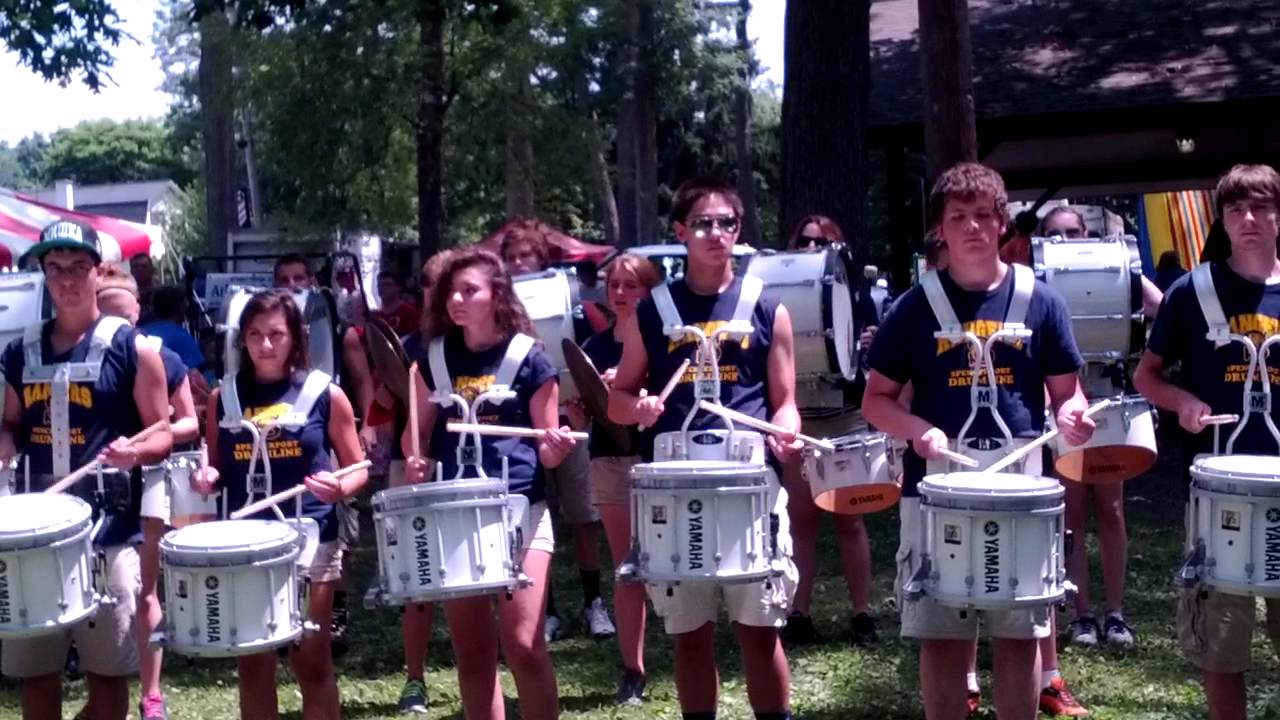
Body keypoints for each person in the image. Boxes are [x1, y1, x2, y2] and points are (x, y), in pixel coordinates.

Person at [862, 162, 1094, 720]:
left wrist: (1073, 416)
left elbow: (1069, 393)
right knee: (941, 632)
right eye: (958, 217)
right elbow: (876, 399)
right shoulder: (914, 307)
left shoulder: (1040, 300)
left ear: (1002, 224)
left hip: (1020, 486)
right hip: (936, 490)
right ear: (940, 228)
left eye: (983, 216)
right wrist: (918, 430)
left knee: (1018, 633)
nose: (971, 228)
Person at [608, 176, 801, 720]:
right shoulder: (654, 311)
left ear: (739, 231)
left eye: (727, 223)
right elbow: (618, 398)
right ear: (681, 232)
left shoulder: (768, 307)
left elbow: (785, 400)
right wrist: (638, 408)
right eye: (703, 224)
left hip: (750, 486)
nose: (716, 234)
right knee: (690, 635)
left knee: (760, 631)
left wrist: (784, 430)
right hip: (677, 486)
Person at [0, 221, 174, 720]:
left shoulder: (133, 348)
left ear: (98, 273)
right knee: (37, 672)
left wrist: (134, 453)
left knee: (108, 673)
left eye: (79, 267)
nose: (68, 279)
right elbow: (9, 422)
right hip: (35, 533)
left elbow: (162, 431)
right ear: (43, 275)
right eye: (55, 268)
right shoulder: (19, 353)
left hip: (110, 530)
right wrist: (6, 442)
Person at [1133, 163, 1280, 720]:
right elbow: (1146, 376)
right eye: (1237, 209)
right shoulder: (1191, 292)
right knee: (1223, 639)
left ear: (1279, 216)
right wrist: (1184, 404)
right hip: (1220, 491)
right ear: (1221, 218)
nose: (1250, 219)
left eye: (1262, 207)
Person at [401, 248, 571, 720]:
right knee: (473, 653)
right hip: (455, 512)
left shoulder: (530, 358)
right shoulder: (433, 357)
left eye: (469, 290)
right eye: (451, 292)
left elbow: (546, 441)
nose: (456, 299)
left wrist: (555, 449)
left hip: (521, 509)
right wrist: (416, 457)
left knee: (523, 643)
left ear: (496, 295)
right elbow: (414, 434)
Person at [193, 289, 368, 720]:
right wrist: (206, 477)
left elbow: (358, 468)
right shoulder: (224, 397)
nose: (265, 345)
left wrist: (339, 486)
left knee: (311, 659)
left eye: (275, 334)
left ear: (296, 337)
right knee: (254, 662)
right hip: (246, 543)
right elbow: (213, 465)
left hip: (311, 536)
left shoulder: (325, 393)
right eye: (254, 334)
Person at [499, 221, 615, 641]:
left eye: (525, 257)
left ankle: (593, 603)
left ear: (541, 261)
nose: (517, 264)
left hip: (569, 423)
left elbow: (589, 358)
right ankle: (546, 611)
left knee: (584, 517)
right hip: (520, 431)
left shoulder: (572, 306)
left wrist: (583, 404)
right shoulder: (497, 313)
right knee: (531, 519)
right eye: (510, 259)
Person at [97, 267, 201, 720]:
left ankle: (152, 692)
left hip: (150, 481)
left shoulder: (155, 355)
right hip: (98, 490)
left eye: (123, 314)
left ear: (138, 310)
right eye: (106, 313)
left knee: (144, 589)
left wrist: (140, 444)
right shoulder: (86, 357)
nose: (116, 323)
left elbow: (189, 421)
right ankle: (104, 682)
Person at [1037, 205, 1139, 654]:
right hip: (1061, 403)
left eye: (1074, 231)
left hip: (1106, 398)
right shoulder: (1035, 281)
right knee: (1073, 513)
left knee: (1112, 509)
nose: (1066, 239)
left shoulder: (1111, 266)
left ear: (1088, 232)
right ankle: (1081, 612)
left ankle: (1115, 613)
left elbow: (1156, 301)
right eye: (1055, 234)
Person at [776, 215, 879, 647]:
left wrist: (871, 344)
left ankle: (862, 613)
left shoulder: (857, 294)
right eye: (805, 240)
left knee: (849, 519)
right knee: (799, 521)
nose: (812, 246)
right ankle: (798, 613)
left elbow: (874, 355)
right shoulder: (777, 295)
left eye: (822, 241)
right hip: (799, 417)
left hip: (844, 413)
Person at [362, 250, 453, 715]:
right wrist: (389, 386)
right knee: (415, 575)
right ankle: (415, 678)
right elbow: (378, 405)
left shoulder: (484, 346)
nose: (439, 294)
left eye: (447, 284)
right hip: (409, 465)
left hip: (466, 471)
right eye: (430, 285)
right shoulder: (413, 345)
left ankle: (483, 667)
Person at [272, 254, 368, 655]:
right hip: (287, 440)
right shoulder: (270, 328)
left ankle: (336, 612)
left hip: (329, 432)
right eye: (284, 280)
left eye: (299, 278)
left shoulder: (335, 328)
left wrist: (363, 426)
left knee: (335, 532)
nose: (293, 285)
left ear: (312, 281)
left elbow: (360, 378)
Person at [579, 253, 661, 703]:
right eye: (614, 284)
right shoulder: (594, 347)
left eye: (631, 285)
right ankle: (633, 669)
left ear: (650, 291)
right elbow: (585, 405)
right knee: (627, 565)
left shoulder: (666, 337)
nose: (620, 293)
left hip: (657, 459)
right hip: (610, 459)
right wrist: (581, 404)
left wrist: (637, 387)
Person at [141, 285, 211, 402]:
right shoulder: (180, 335)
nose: (187, 308)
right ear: (176, 308)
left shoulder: (139, 331)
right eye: (185, 304)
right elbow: (198, 374)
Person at [376, 271, 422, 336]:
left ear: (399, 287)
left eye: (387, 284)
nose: (382, 288)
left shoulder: (408, 312)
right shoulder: (375, 314)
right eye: (379, 284)